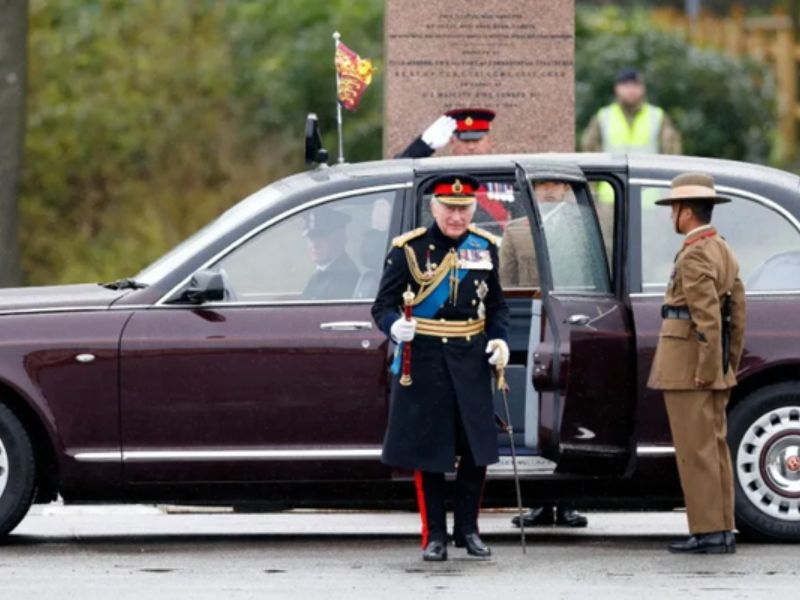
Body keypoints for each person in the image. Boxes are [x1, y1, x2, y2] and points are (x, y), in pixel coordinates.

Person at [371, 174, 510, 562]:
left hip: (471, 358)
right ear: (434, 208)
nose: (457, 217)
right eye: (449, 208)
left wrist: (499, 339)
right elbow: (382, 306)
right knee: (430, 450)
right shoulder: (409, 249)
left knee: (475, 450)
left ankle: (468, 530)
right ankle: (434, 535)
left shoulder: (484, 246)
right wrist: (394, 327)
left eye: (464, 209)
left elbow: (497, 306)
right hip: (426, 358)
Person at [647, 172, 746, 554]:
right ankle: (721, 529)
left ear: (686, 212)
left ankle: (708, 532)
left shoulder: (695, 253)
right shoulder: (721, 247)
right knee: (714, 449)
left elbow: (706, 318)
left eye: (673, 208)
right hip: (708, 365)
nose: (670, 215)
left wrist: (706, 370)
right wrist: (725, 365)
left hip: (690, 367)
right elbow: (737, 314)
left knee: (696, 452)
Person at [499, 180, 590, 529]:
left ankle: (568, 500)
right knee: (536, 409)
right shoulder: (517, 230)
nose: (550, 191)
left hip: (570, 321)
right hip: (532, 322)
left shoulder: (582, 227)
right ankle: (539, 500)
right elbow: (506, 281)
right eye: (543, 186)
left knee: (568, 408)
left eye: (557, 185)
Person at [580, 68, 682, 155]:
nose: (631, 89)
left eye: (636, 85)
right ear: (616, 88)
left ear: (643, 88)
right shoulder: (603, 116)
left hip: (647, 173)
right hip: (611, 173)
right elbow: (589, 149)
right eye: (626, 85)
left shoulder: (657, 116)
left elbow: (672, 151)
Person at [301, 207, 359, 300]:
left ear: (341, 238)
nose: (314, 245)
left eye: (321, 237)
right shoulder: (321, 274)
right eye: (311, 238)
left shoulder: (345, 279)